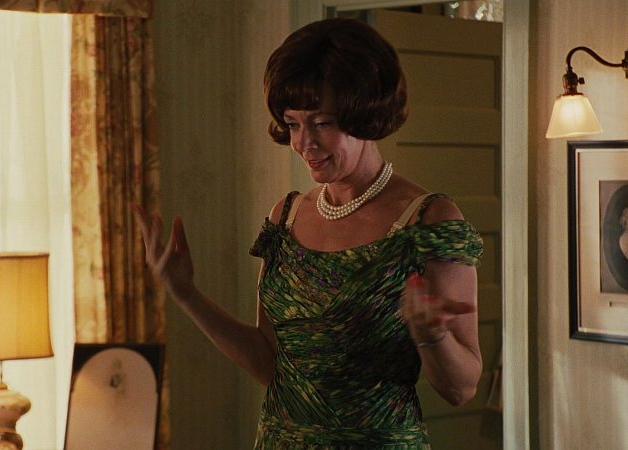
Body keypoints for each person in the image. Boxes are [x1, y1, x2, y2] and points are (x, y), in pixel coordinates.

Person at [133, 17, 483, 449]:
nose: (304, 143)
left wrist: (432, 335)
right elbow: (270, 363)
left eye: (322, 123)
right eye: (293, 123)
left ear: (366, 116)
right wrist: (186, 293)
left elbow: (461, 389)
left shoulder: (428, 221)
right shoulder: (285, 217)